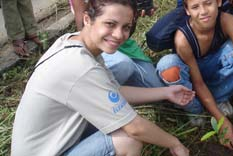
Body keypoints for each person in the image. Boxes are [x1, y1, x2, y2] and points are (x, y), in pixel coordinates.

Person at [11, 0, 193, 155]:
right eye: (110, 24)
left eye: (126, 27)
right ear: (87, 19)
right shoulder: (80, 67)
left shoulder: (75, 41)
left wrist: (166, 92)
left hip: (56, 141)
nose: (119, 35)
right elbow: (135, 129)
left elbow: (116, 91)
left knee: (119, 120)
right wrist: (174, 143)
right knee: (128, 140)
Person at [156, 0, 233, 150]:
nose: (203, 11)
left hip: (214, 72)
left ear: (218, 2)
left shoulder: (226, 20)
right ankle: (195, 110)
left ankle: (220, 98)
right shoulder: (183, 39)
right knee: (167, 67)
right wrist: (221, 121)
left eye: (208, 3)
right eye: (195, 7)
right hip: (193, 81)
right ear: (187, 10)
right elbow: (198, 82)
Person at [69, 0, 163, 88]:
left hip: (123, 44)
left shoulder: (119, 33)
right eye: (109, 23)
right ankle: (97, 89)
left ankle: (114, 86)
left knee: (154, 85)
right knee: (123, 64)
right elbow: (82, 27)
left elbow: (124, 28)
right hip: (96, 42)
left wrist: (135, 14)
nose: (118, 35)